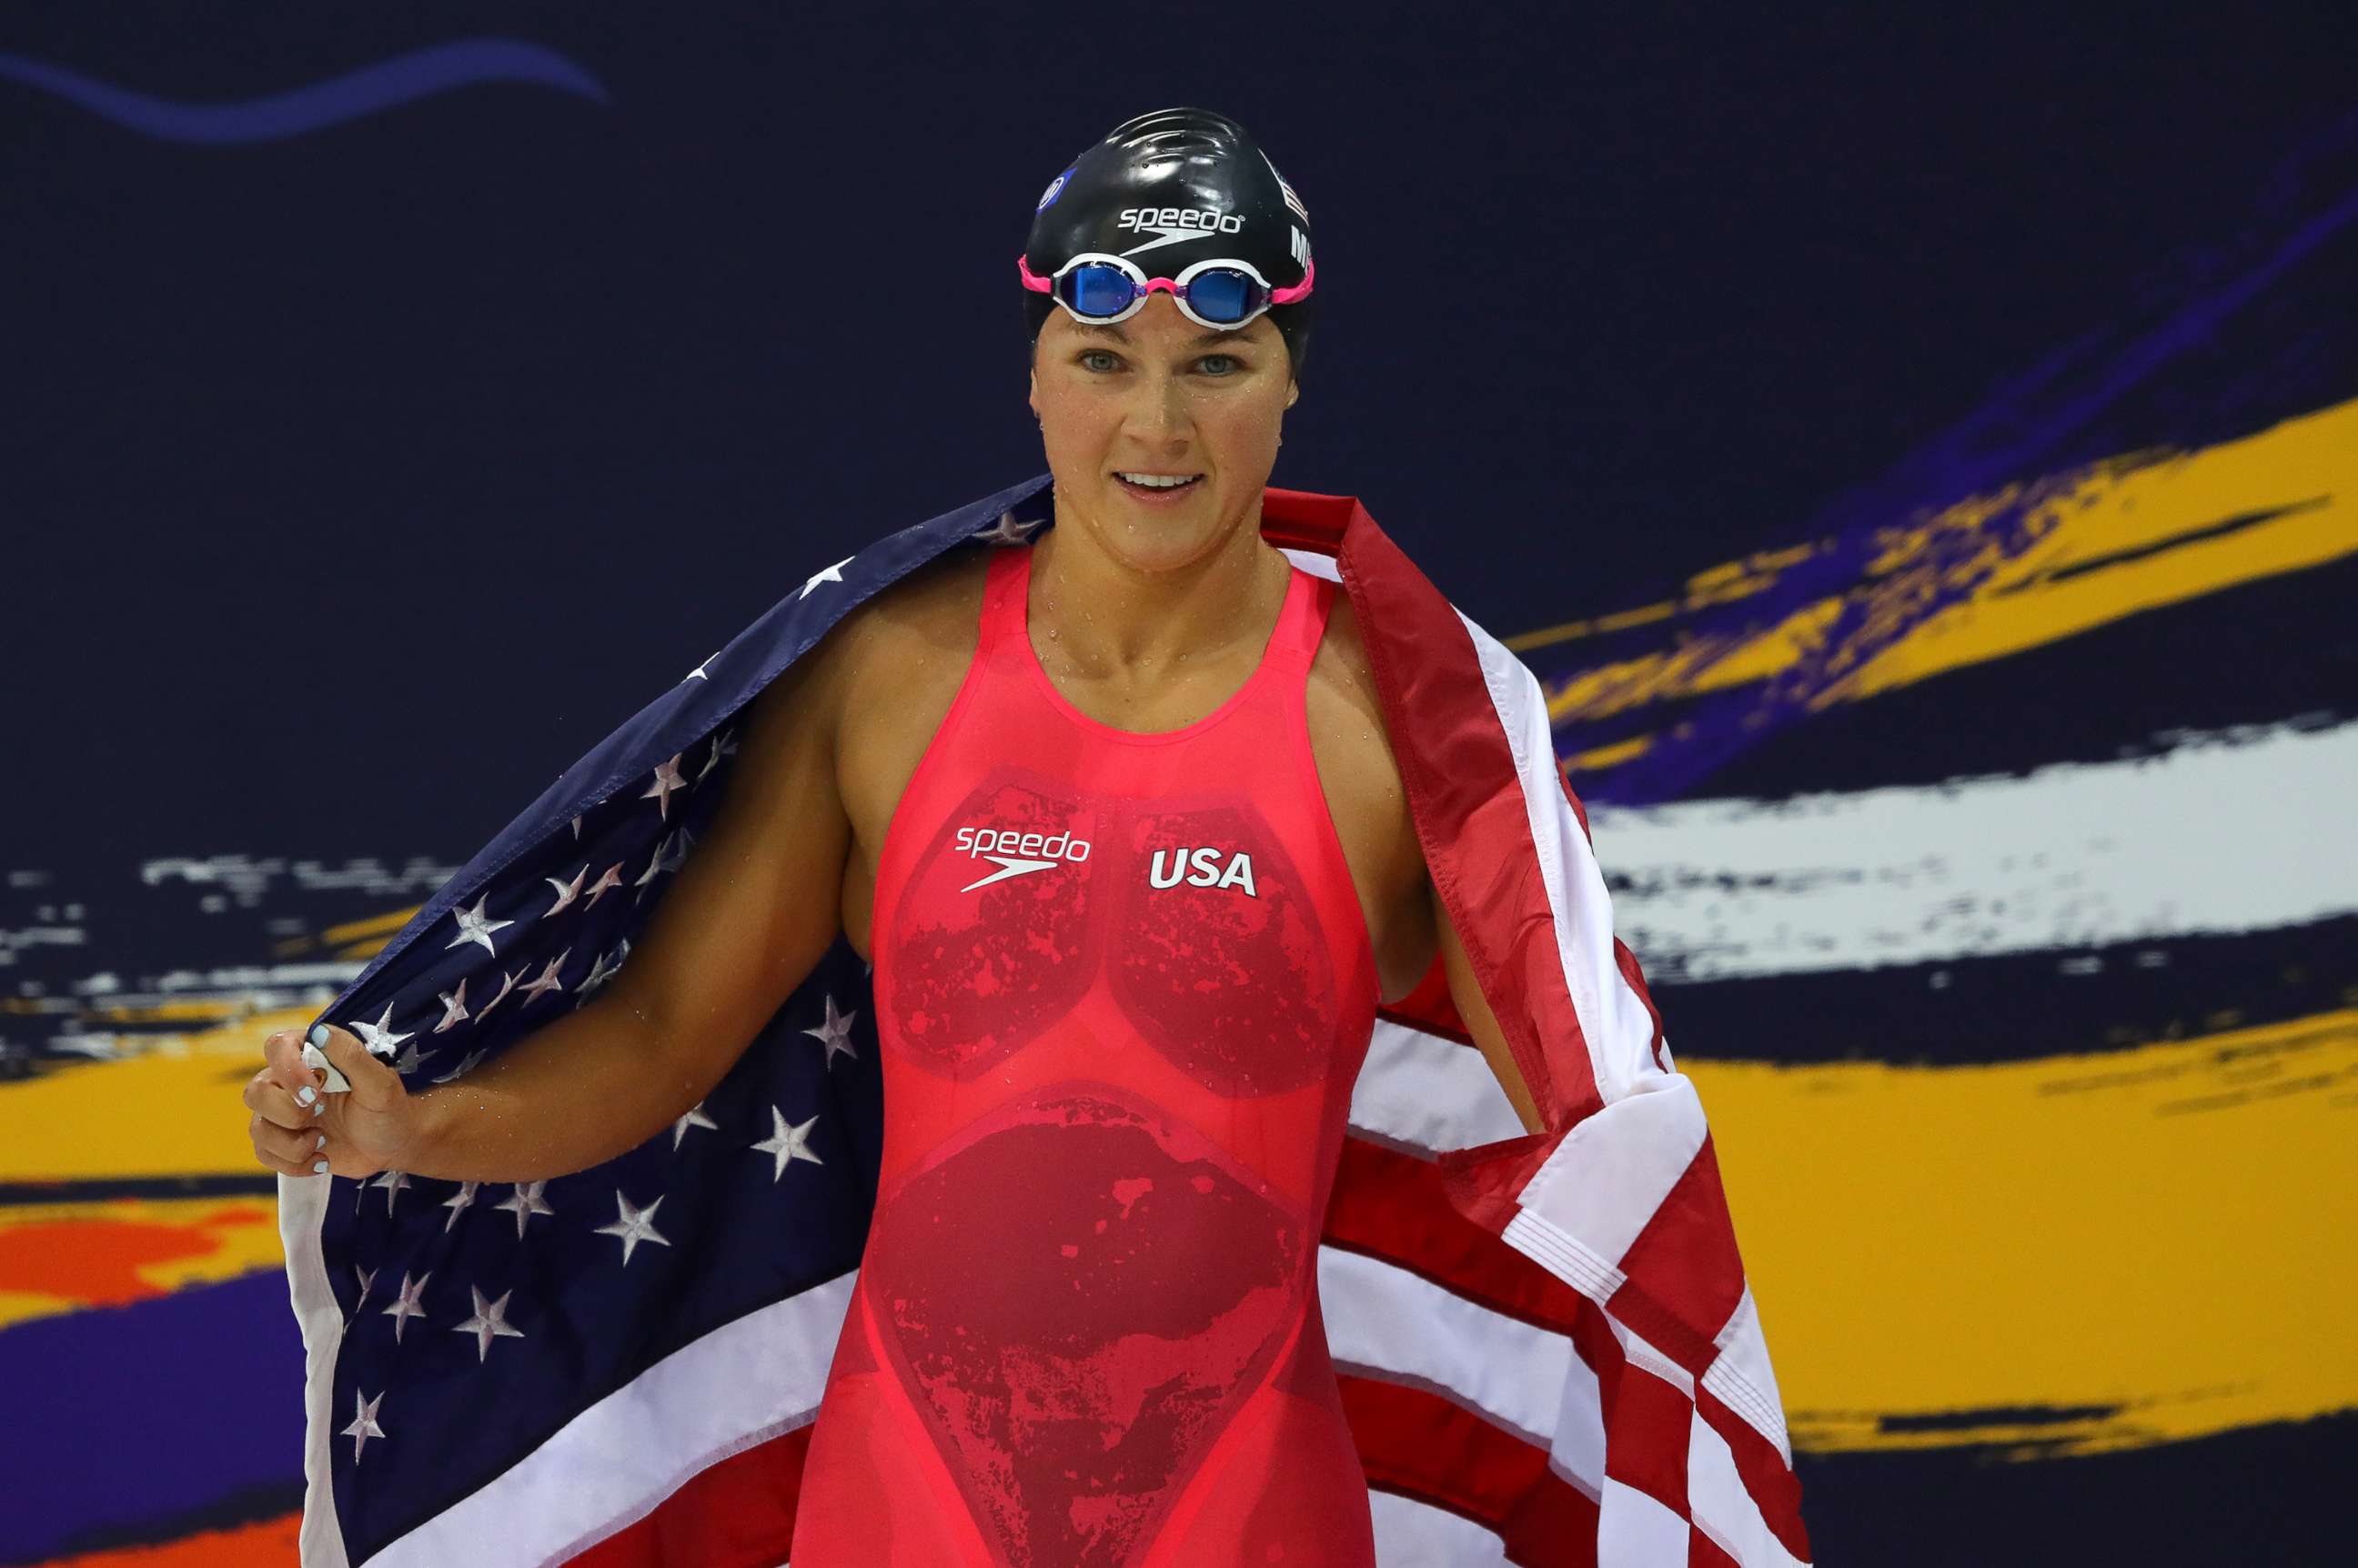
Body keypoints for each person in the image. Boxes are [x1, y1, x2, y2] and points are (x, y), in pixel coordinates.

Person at [240, 107, 1545, 1565]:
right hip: (899, 1513)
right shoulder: (888, 678)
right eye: (1105, 362)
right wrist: (411, 1128)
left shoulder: (1404, 725)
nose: (1157, 427)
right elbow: (671, 1030)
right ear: (1039, 375)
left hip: (1252, 1521)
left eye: (1217, 368)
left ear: (1289, 383)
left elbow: (1589, 1131)